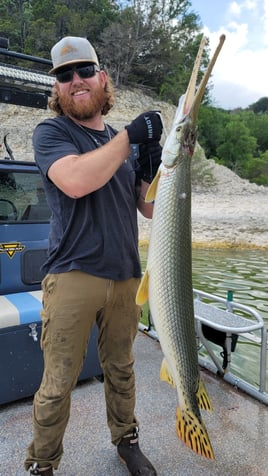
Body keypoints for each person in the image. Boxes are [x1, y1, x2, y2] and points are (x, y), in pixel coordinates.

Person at [24, 36, 163, 476]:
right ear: (58, 90)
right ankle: (42, 463)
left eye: (84, 71)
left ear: (102, 78)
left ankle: (127, 440)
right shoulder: (52, 133)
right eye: (64, 76)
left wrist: (155, 167)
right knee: (58, 381)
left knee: (122, 368)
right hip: (72, 275)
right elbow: (77, 181)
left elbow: (150, 209)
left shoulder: (123, 144)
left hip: (125, 274)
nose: (76, 80)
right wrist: (129, 139)